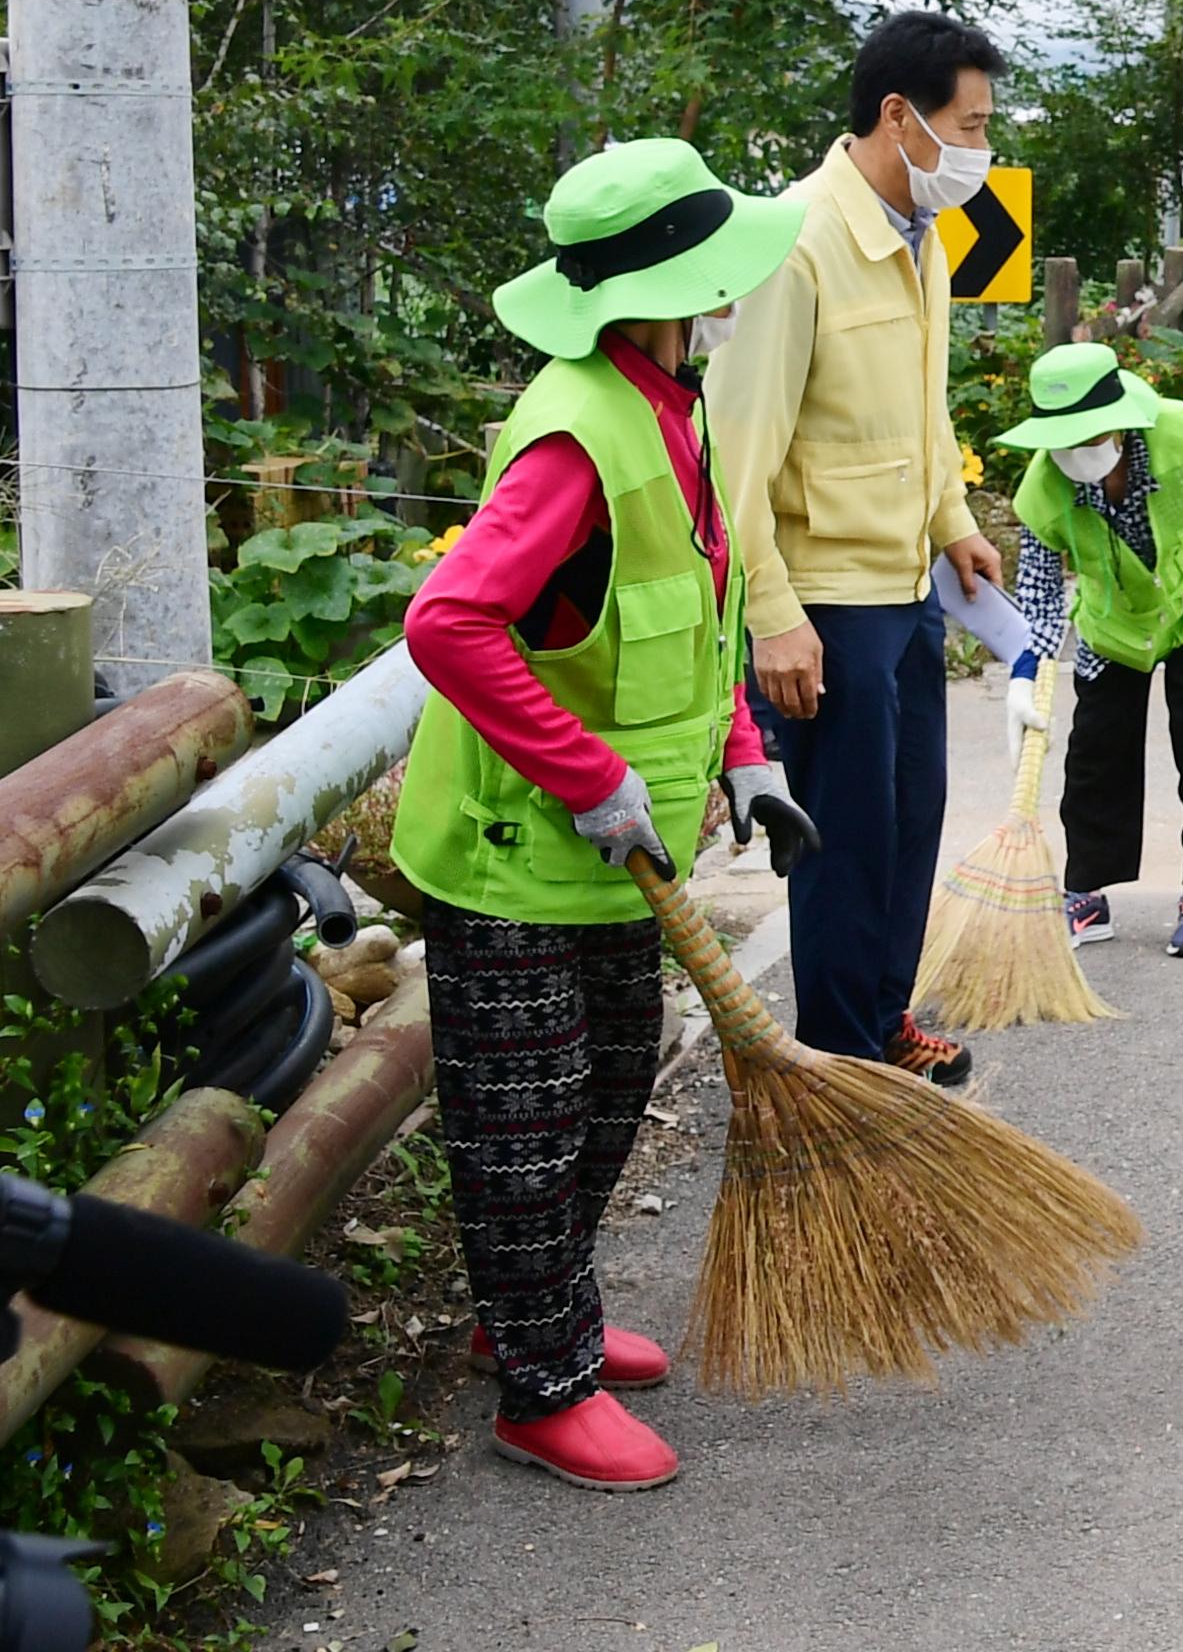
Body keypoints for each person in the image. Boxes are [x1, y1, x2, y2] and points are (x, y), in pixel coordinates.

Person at [393, 140, 821, 1491]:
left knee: (610, 1091)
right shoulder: (577, 434)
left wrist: (748, 754)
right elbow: (448, 621)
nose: (729, 306)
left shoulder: (669, 402)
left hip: (620, 855)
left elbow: (696, 606)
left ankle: (531, 1317)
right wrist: (583, 773)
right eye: (711, 288)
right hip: (518, 850)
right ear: (652, 294)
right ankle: (541, 1384)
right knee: (524, 1119)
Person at [704, 10, 1006, 1086]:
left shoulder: (918, 235)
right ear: (898, 116)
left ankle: (884, 1018)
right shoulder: (793, 244)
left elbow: (917, 413)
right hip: (823, 605)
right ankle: (839, 1065)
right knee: (842, 844)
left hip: (903, 586)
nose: (982, 149)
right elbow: (736, 454)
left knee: (908, 819)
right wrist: (771, 610)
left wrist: (952, 522)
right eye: (969, 125)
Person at [997, 340, 1183, 959]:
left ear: (1119, 421)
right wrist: (1025, 672)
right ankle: (1086, 890)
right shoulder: (1044, 487)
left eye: (1087, 434)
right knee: (1097, 752)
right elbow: (1041, 588)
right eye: (1062, 439)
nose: (1075, 451)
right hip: (1118, 622)